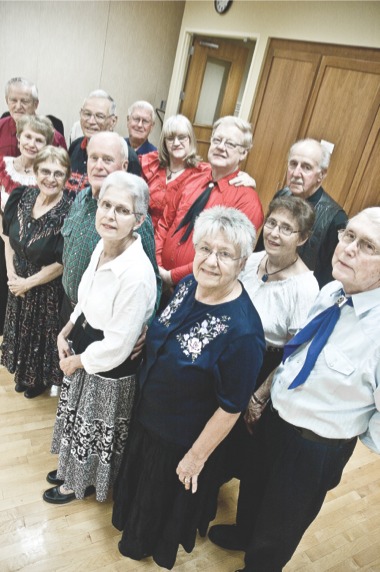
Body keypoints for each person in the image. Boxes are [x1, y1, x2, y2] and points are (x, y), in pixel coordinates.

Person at [209, 206, 380, 572]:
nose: (348, 248)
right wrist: (266, 395)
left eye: (367, 246)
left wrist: (343, 430)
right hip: (277, 418)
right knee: (254, 486)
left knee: (283, 519)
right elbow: (298, 351)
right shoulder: (333, 289)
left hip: (315, 445)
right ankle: (243, 533)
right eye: (348, 235)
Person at [112, 206, 266, 570]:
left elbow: (231, 407)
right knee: (138, 486)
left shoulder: (244, 334)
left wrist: (195, 458)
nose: (211, 261)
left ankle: (142, 544)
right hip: (148, 415)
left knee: (157, 500)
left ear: (242, 262)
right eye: (205, 249)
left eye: (225, 254)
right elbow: (167, 330)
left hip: (180, 438)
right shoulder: (187, 285)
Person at [43, 172, 157, 504]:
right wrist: (68, 327)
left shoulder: (137, 275)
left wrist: (76, 362)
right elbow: (86, 295)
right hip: (87, 341)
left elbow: (119, 346)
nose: (109, 214)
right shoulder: (102, 245)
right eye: (105, 205)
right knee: (76, 417)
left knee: (92, 428)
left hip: (107, 365)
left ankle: (79, 483)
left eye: (122, 210)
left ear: (138, 221)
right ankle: (68, 468)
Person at [220, 196, 319, 481]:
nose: (274, 233)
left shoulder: (305, 288)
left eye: (286, 228)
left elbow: (296, 352)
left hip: (262, 365)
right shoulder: (251, 261)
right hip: (228, 351)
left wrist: (260, 395)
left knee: (234, 442)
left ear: (303, 238)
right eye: (272, 223)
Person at [61, 131, 161, 322]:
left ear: (123, 166)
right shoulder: (81, 198)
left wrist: (144, 325)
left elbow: (152, 280)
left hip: (103, 324)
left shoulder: (135, 218)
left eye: (107, 160)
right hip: (69, 311)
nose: (98, 166)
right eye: (93, 158)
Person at [155, 116, 264, 291]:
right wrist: (158, 264)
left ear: (243, 153)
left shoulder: (247, 201)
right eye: (217, 140)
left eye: (230, 144)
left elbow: (226, 255)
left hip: (197, 291)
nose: (221, 147)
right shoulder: (193, 176)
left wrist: (172, 276)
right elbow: (165, 221)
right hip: (160, 279)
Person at [1, 146, 72, 398]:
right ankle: (22, 373)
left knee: (40, 336)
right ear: (35, 171)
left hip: (45, 287)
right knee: (19, 329)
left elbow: (62, 262)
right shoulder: (21, 195)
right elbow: (7, 236)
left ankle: (38, 380)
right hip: (17, 279)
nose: (50, 178)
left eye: (58, 173)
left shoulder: (69, 210)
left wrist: (27, 283)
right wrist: (11, 274)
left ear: (66, 177)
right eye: (45, 171)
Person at [255, 138, 347, 287]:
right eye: (293, 164)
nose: (296, 173)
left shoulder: (335, 219)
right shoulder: (281, 196)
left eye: (306, 167)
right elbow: (260, 249)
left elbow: (329, 278)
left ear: (321, 175)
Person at [0, 114, 54, 334]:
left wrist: (11, 267)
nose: (32, 144)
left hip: (22, 253)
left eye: (39, 139)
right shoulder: (3, 165)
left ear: (46, 145)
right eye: (28, 137)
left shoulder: (46, 179)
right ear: (19, 138)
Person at [140, 114, 209, 229]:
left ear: (190, 139)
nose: (176, 143)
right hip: (143, 233)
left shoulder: (201, 173)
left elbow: (226, 177)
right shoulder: (152, 164)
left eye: (182, 137)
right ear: (164, 142)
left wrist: (248, 180)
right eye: (171, 138)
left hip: (172, 239)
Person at [66, 90, 141, 193]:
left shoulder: (126, 155)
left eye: (99, 116)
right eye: (87, 114)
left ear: (113, 121)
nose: (91, 121)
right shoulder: (75, 146)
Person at [0, 77, 66, 157]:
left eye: (24, 101)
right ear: (7, 101)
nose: (18, 106)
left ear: (36, 104)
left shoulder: (54, 137)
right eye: (13, 100)